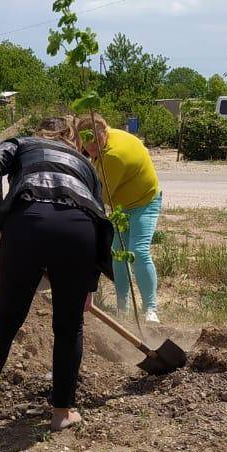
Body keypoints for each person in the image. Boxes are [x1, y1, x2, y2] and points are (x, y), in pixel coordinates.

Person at [0, 117, 114, 432]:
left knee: (7, 318)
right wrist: (88, 286)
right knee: (69, 326)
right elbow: (98, 217)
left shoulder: (21, 144)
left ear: (39, 132)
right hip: (78, 230)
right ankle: (62, 412)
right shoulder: (85, 163)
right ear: (71, 138)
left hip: (27, 223)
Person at [81, 114, 163, 323]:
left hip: (144, 202)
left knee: (138, 251)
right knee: (118, 254)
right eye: (86, 141)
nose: (90, 146)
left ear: (105, 131)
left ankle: (150, 309)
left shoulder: (114, 156)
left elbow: (100, 196)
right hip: (122, 206)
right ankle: (122, 308)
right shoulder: (108, 140)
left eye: (95, 140)